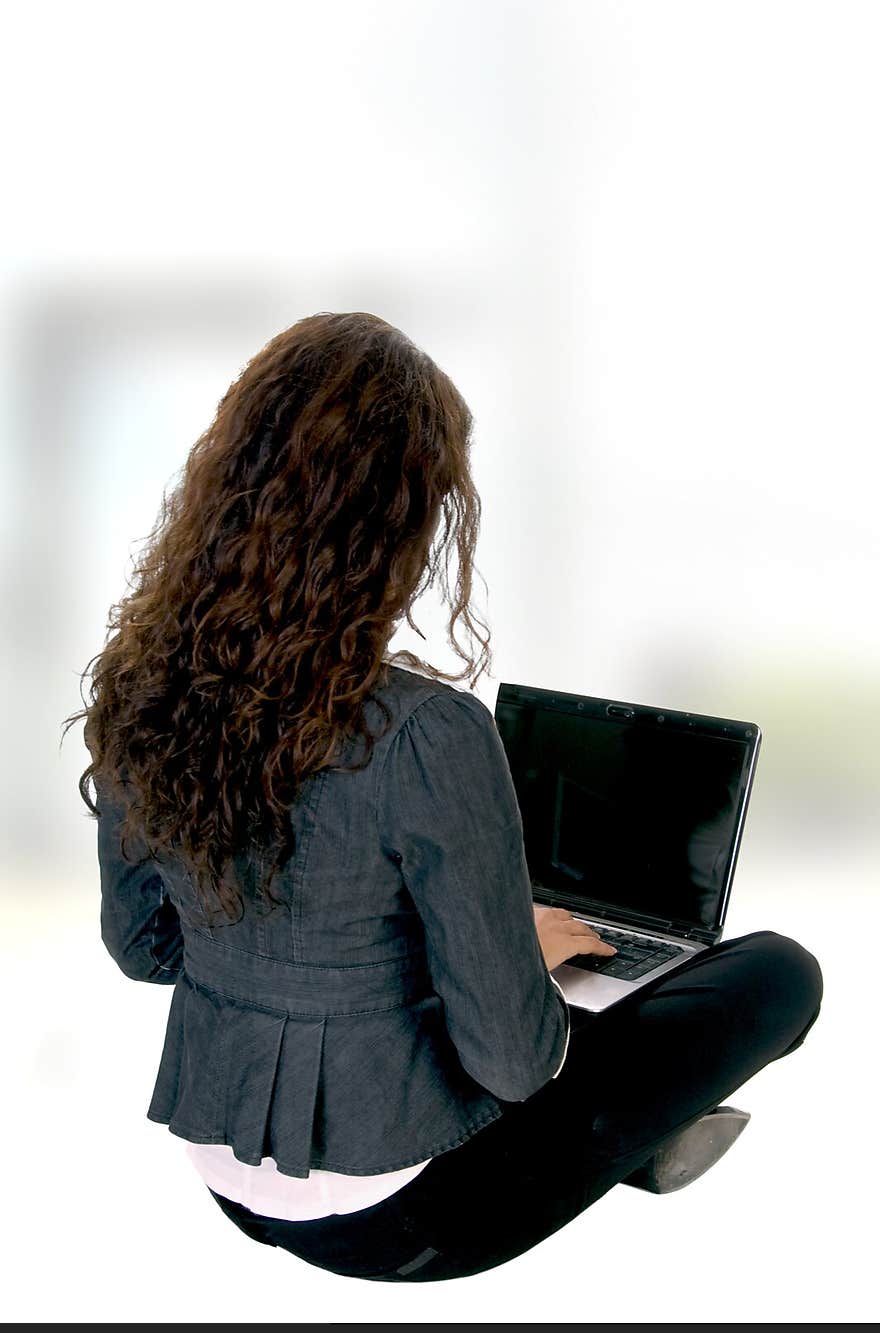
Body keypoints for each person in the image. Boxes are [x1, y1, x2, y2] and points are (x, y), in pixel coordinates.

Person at [67, 311, 823, 1283]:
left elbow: (146, 951)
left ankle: (630, 1132)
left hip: (221, 1167)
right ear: (407, 518)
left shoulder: (141, 688)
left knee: (543, 986)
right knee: (775, 975)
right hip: (404, 1219)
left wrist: (363, 958)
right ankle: (636, 1147)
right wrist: (508, 957)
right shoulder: (426, 730)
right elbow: (512, 1064)